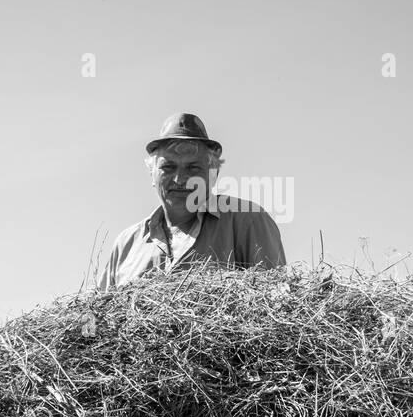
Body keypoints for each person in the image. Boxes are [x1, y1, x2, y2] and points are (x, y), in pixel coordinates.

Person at [98, 112, 286, 289]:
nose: (180, 179)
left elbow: (275, 301)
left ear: (213, 174)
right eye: (168, 167)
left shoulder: (248, 221)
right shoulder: (126, 245)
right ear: (151, 174)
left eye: (193, 168)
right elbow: (98, 319)